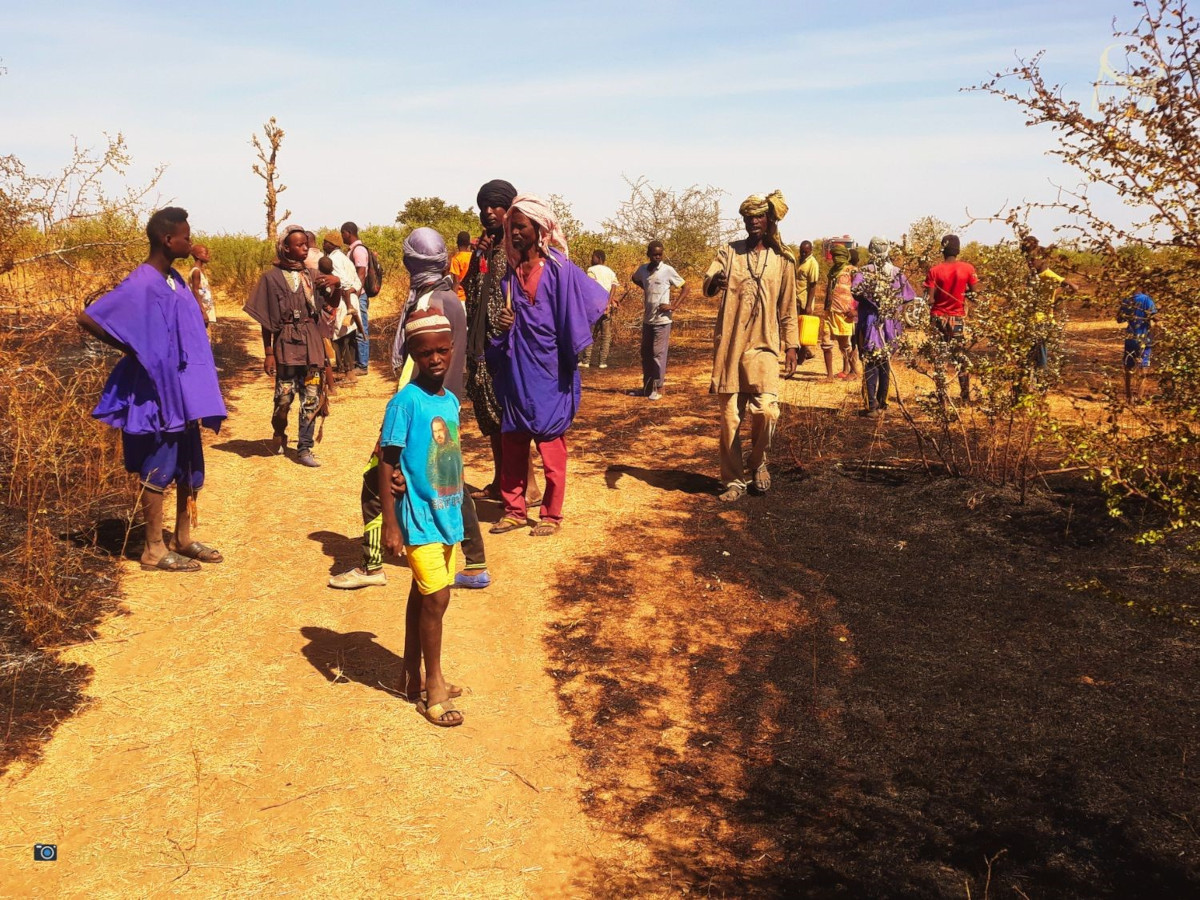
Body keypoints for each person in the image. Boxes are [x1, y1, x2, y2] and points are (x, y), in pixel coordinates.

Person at [329, 228, 491, 590]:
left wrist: (389, 432)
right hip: (445, 404)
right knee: (448, 480)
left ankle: (372, 567)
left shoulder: (426, 303)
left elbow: (413, 367)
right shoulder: (453, 296)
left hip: (420, 406)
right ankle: (476, 560)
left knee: (376, 482)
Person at [77, 207, 227, 572]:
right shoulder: (142, 281)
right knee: (159, 461)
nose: (190, 242)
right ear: (167, 239)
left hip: (183, 389)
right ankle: (153, 549)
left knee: (187, 459)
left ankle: (183, 538)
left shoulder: (173, 278)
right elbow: (89, 316)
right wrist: (132, 347)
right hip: (156, 390)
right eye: (186, 237)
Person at [486, 194, 608, 536]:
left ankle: (551, 516)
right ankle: (514, 509)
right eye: (511, 227)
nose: (514, 233)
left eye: (521, 226)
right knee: (512, 442)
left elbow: (595, 303)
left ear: (539, 228)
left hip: (550, 371)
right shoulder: (510, 274)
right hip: (517, 370)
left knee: (551, 446)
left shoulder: (560, 270)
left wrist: (571, 345)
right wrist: (505, 324)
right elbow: (509, 322)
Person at [380, 310, 466, 727]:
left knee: (425, 594)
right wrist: (391, 522)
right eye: (426, 352)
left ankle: (410, 675)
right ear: (412, 353)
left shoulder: (450, 401)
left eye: (442, 350)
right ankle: (433, 684)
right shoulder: (405, 402)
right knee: (437, 598)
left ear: (452, 350)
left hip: (447, 515)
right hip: (417, 518)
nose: (435, 359)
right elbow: (387, 460)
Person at [704, 191, 799, 502]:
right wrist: (714, 282)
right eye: (748, 217)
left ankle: (758, 462)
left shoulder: (783, 260)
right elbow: (709, 280)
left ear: (769, 220)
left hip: (766, 344)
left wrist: (792, 346)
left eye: (759, 216)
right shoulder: (730, 252)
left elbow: (788, 308)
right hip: (731, 346)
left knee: (767, 412)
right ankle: (733, 481)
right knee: (730, 417)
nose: (753, 222)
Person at [461, 179, 541, 505]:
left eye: (495, 206)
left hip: (507, 343)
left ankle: (530, 485)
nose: (488, 212)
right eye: (483, 207)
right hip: (481, 343)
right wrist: (476, 255)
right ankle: (500, 480)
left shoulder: (519, 246)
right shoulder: (487, 246)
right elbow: (469, 288)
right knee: (491, 416)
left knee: (511, 415)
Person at [244, 224, 327, 467]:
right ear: (286, 249)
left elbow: (326, 311)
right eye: (299, 245)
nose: (305, 248)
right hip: (285, 347)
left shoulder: (312, 277)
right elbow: (266, 319)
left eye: (306, 244)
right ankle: (279, 432)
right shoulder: (270, 278)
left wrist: (335, 286)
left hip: (311, 345)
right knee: (283, 399)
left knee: (311, 398)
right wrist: (268, 352)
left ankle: (304, 448)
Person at [852, 237, 915, 416]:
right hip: (891, 325)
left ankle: (871, 405)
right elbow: (909, 296)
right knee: (884, 361)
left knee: (871, 362)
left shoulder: (864, 272)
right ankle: (882, 403)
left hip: (870, 323)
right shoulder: (896, 273)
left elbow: (856, 293)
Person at [923, 234, 978, 405]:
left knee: (939, 357)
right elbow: (974, 295)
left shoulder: (934, 271)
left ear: (943, 249)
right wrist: (961, 294)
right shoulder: (968, 269)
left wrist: (937, 296)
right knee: (960, 357)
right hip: (957, 319)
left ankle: (941, 396)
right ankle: (965, 396)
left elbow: (930, 300)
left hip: (938, 317)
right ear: (958, 250)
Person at [629, 240, 688, 399]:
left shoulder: (667, 270)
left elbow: (685, 287)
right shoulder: (642, 270)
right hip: (648, 319)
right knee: (646, 353)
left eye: (660, 255)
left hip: (662, 320)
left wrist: (673, 306)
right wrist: (647, 289)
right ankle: (647, 388)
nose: (657, 257)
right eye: (654, 254)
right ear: (648, 254)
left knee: (657, 354)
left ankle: (658, 387)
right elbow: (634, 278)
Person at [322, 231, 363, 375]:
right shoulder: (345, 258)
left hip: (343, 302)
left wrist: (347, 300)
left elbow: (343, 282)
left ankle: (347, 371)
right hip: (350, 300)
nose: (323, 245)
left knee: (341, 338)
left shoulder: (335, 260)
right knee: (348, 336)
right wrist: (353, 295)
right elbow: (357, 283)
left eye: (325, 242)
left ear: (332, 244)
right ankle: (348, 370)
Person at [822, 244, 860, 380]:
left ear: (846, 257)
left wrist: (856, 310)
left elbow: (861, 292)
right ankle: (830, 375)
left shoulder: (853, 271)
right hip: (829, 312)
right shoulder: (832, 272)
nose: (837, 259)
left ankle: (854, 371)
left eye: (840, 256)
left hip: (844, 314)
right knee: (826, 343)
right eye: (835, 256)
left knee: (845, 345)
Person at [579, 249, 620, 369]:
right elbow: (613, 287)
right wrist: (609, 301)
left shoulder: (592, 270)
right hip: (607, 306)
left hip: (594, 306)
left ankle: (586, 361)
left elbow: (591, 286)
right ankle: (602, 362)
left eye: (593, 257)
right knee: (606, 336)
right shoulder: (610, 272)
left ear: (599, 258)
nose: (591, 259)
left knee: (590, 333)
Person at [342, 221, 372, 374]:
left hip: (359, 295)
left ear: (348, 232)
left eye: (343, 234)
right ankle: (357, 362)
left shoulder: (358, 251)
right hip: (356, 295)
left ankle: (363, 365)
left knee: (361, 328)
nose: (342, 237)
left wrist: (355, 292)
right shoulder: (353, 250)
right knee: (355, 329)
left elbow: (361, 274)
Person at [1118, 290, 1156, 403]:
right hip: (1145, 338)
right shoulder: (1147, 300)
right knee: (1144, 366)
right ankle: (1140, 397)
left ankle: (1129, 397)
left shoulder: (1127, 300)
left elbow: (1119, 319)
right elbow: (1155, 316)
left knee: (1128, 367)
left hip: (1131, 338)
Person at [794, 240, 820, 366]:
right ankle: (806, 352)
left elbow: (813, 285)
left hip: (805, 301)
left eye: (805, 251)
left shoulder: (812, 263)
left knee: (804, 329)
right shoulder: (799, 260)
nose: (803, 253)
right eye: (801, 251)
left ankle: (801, 358)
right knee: (796, 328)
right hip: (796, 299)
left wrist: (809, 305)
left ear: (810, 250)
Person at [188, 244, 216, 331]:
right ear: (197, 256)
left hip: (204, 310)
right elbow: (195, 291)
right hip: (201, 312)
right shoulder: (196, 272)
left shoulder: (199, 271)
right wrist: (203, 312)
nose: (208, 256)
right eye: (205, 253)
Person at [449, 231, 473, 302]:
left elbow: (456, 281)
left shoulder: (456, 259)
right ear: (469, 244)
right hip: (471, 296)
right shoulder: (473, 257)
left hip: (460, 297)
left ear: (457, 243)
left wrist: (453, 300)